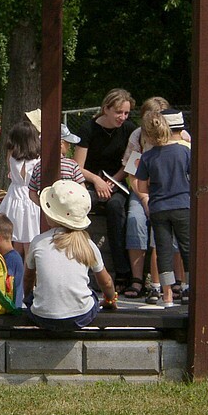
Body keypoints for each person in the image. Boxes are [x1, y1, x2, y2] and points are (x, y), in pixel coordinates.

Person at [24, 180, 117, 331]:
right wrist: (110, 300)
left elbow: (28, 278)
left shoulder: (38, 242)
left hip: (43, 318)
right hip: (80, 316)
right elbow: (106, 282)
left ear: (51, 214)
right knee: (90, 295)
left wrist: (28, 298)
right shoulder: (88, 244)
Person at [74, 88, 137, 291]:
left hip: (116, 182)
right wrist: (97, 180)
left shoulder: (129, 130)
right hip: (90, 182)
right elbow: (78, 166)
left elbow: (133, 163)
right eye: (119, 112)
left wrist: (114, 180)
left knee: (116, 208)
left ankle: (122, 271)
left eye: (126, 113)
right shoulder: (88, 129)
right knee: (77, 207)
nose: (123, 117)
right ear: (106, 109)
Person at [135, 111, 191, 307]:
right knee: (186, 248)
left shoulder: (147, 157)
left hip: (158, 208)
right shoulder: (184, 151)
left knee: (163, 251)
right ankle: (188, 287)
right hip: (182, 205)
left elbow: (141, 187)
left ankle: (166, 295)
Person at [0, 121, 41, 258]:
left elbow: (10, 172)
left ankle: (13, 274)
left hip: (13, 197)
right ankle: (30, 276)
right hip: (31, 198)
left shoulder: (11, 155)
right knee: (30, 241)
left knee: (13, 240)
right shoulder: (38, 159)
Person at [28, 123, 85, 207]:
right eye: (68, 143)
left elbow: (32, 193)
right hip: (69, 209)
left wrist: (43, 206)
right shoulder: (72, 165)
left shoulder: (38, 166)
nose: (69, 146)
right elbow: (82, 189)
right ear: (61, 144)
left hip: (48, 210)